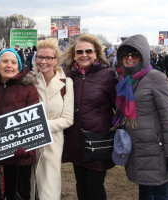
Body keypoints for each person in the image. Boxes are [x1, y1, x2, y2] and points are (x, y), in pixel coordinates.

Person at [114, 34, 168, 200]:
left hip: (154, 147)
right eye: (125, 55)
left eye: (134, 54)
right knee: (144, 188)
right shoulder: (126, 80)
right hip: (136, 147)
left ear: (143, 55)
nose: (129, 58)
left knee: (160, 192)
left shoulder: (155, 77)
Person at [0, 48, 39, 200]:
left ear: (19, 66)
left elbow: (34, 123)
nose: (9, 65)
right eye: (4, 61)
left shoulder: (29, 89)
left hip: (18, 157)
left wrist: (25, 149)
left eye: (13, 62)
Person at [61, 34, 118, 200]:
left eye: (88, 51)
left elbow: (120, 106)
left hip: (97, 139)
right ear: (74, 54)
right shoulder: (68, 76)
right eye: (79, 52)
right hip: (75, 138)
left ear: (96, 53)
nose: (84, 55)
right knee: (81, 184)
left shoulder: (107, 75)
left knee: (94, 184)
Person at [30, 38, 74, 200]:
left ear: (56, 60)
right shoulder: (30, 81)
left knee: (49, 191)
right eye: (40, 57)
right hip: (30, 143)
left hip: (53, 143)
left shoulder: (66, 83)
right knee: (29, 188)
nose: (43, 61)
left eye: (48, 58)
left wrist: (40, 126)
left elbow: (68, 119)